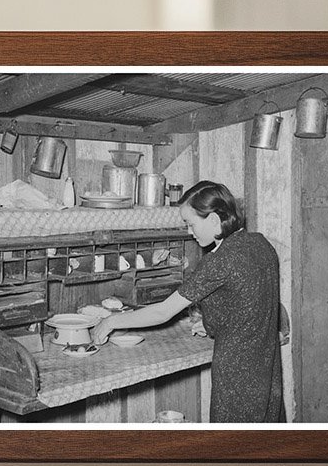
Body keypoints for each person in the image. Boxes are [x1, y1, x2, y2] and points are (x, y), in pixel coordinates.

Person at [91, 180, 284, 423]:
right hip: (266, 364)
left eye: (191, 224)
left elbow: (162, 312)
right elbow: (249, 299)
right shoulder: (260, 243)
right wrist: (213, 323)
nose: (189, 232)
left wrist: (112, 321)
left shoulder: (219, 261)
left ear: (214, 220)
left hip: (237, 371)